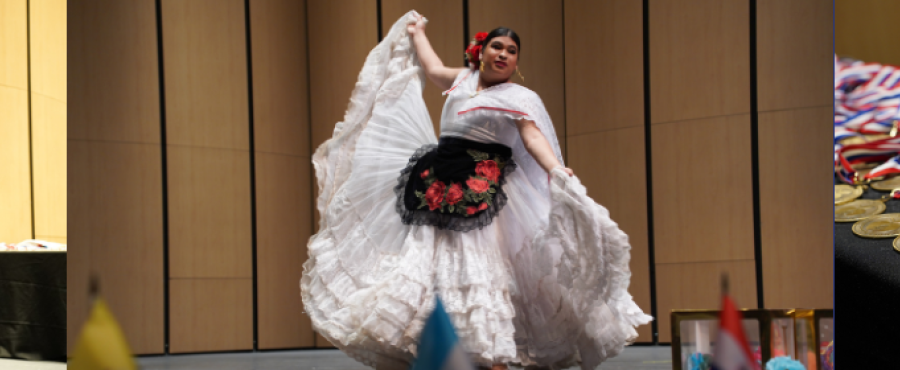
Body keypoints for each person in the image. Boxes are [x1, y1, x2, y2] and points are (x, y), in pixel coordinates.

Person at [300, 11, 652, 370]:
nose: (502, 54)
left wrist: (556, 169)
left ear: (516, 62)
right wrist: (418, 32)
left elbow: (531, 137)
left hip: (484, 183)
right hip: (439, 176)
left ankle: (485, 347)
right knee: (429, 258)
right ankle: (431, 341)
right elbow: (434, 70)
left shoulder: (517, 96)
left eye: (511, 50)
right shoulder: (463, 79)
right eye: (496, 46)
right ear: (480, 50)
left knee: (480, 261)